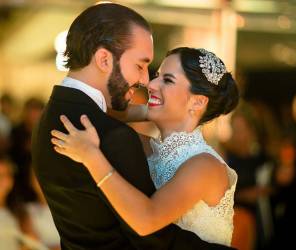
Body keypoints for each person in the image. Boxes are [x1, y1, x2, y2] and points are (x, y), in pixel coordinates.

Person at [31, 3, 235, 250]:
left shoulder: (203, 165)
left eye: (166, 79)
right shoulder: (128, 141)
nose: (148, 82)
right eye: (145, 68)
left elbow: (148, 222)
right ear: (104, 59)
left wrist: (93, 156)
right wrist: (155, 111)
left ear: (198, 101)